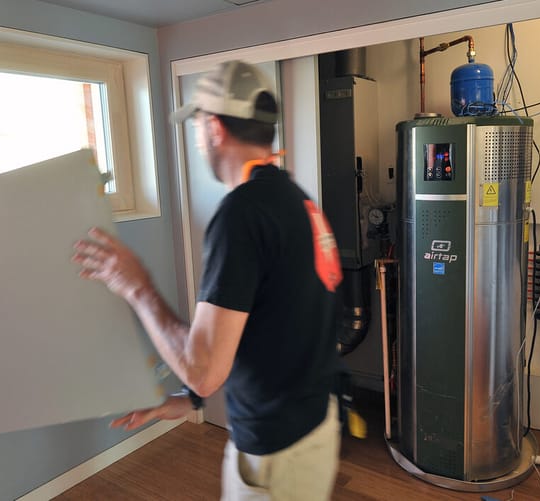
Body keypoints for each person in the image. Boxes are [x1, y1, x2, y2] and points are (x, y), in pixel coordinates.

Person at [72, 60, 343, 500]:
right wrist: (187, 401)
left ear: (215, 128)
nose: (197, 138)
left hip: (278, 455)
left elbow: (203, 371)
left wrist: (136, 285)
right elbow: (274, 323)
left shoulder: (242, 214)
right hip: (311, 426)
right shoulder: (295, 201)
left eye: (197, 125)